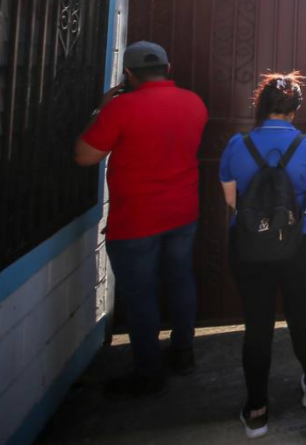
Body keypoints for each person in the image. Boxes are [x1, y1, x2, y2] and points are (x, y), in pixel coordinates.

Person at [75, 41, 208, 397]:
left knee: (141, 295)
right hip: (182, 212)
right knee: (181, 282)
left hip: (136, 219)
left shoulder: (121, 108)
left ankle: (148, 373)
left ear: (128, 74)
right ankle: (183, 353)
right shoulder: (194, 103)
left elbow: (85, 156)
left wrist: (100, 110)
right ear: (168, 67)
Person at [218, 72, 306, 439]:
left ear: (262, 106)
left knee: (257, 325)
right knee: (301, 319)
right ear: (296, 109)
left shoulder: (238, 145)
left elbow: (232, 201)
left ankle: (257, 411)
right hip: (297, 245)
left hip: (250, 247)